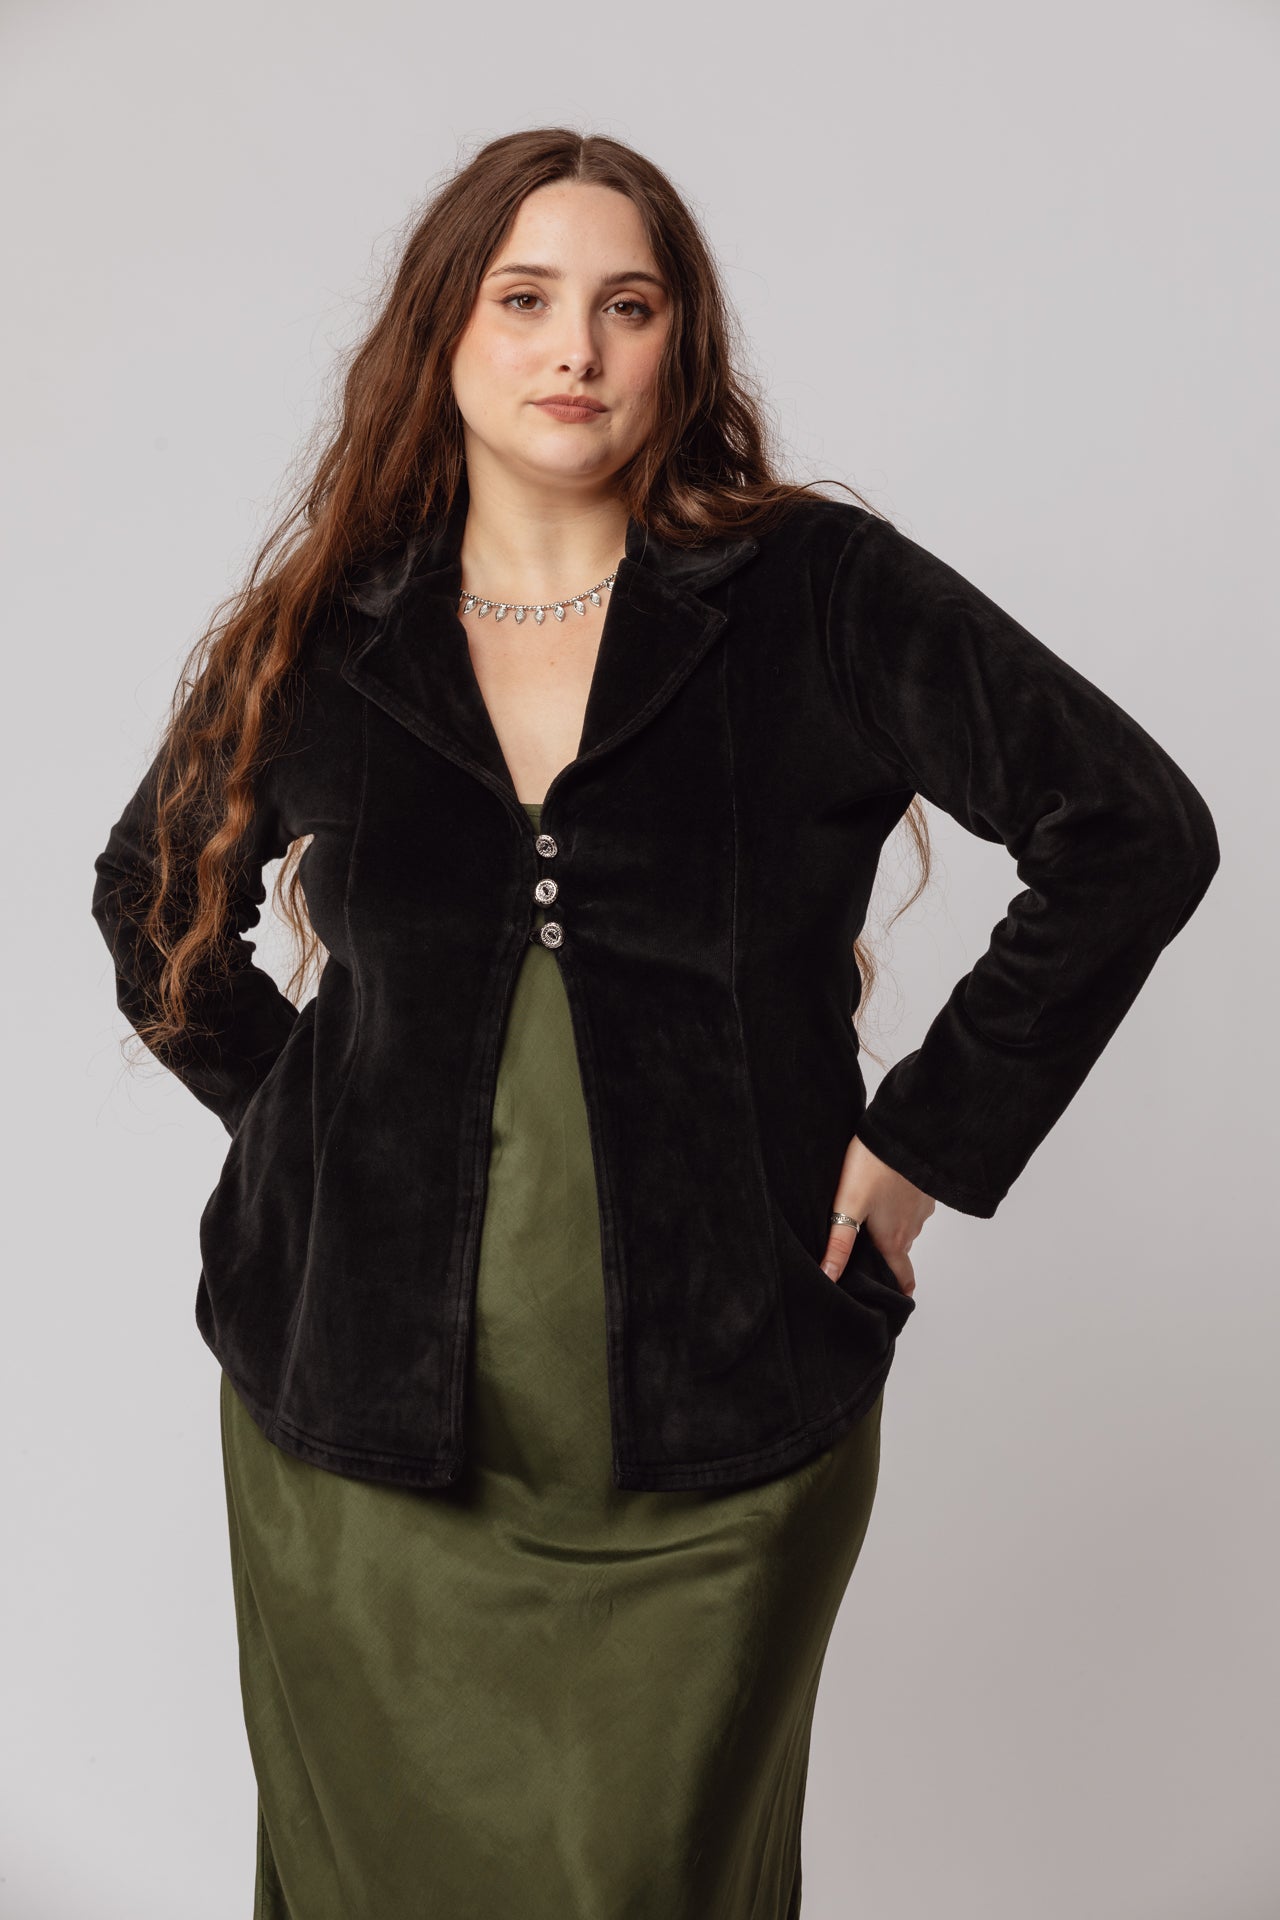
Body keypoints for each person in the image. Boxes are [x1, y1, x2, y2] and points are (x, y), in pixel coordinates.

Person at [90, 129, 1220, 1919]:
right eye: (525, 299)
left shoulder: (816, 592)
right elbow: (147, 899)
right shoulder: (335, 626)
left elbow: (1133, 829)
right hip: (355, 1443)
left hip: (727, 1417)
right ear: (444, 333)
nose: (577, 349)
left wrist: (929, 1143)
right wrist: (316, 1123)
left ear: (681, 342)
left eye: (629, 305)